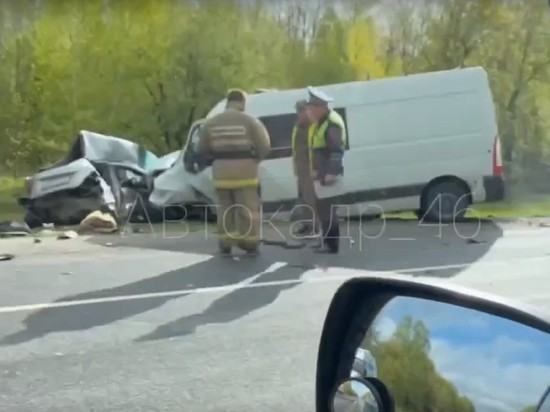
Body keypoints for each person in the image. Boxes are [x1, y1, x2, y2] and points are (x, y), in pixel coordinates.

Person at [197, 89, 271, 256]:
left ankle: (225, 242)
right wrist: (256, 159)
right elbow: (265, 146)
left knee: (225, 208)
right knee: (248, 208)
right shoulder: (250, 121)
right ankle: (249, 243)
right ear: (242, 102)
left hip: (221, 172)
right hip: (246, 171)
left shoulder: (211, 123)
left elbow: (202, 148)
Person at [305, 86, 347, 254]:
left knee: (328, 212)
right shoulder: (321, 123)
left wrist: (332, 172)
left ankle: (332, 245)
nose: (310, 112)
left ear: (321, 107)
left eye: (311, 108)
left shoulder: (331, 123)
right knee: (323, 210)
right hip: (321, 174)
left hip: (328, 175)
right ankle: (325, 241)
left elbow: (336, 150)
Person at [291, 99, 319, 238]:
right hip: (301, 169)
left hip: (311, 168)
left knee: (312, 199)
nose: (300, 113)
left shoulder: (313, 126)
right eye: (298, 110)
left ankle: (315, 227)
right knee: (304, 199)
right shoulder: (299, 126)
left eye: (302, 110)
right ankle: (308, 226)